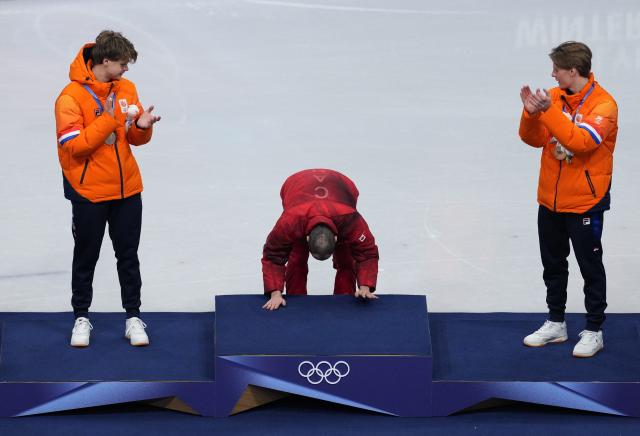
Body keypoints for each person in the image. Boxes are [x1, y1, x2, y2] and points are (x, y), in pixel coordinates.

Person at [54, 30, 161, 347]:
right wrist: (111, 119)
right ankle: (81, 318)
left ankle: (133, 317)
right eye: (123, 64)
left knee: (128, 256)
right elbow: (74, 147)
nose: (127, 70)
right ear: (104, 61)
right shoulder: (70, 98)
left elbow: (132, 138)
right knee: (85, 257)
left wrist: (141, 128)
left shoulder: (126, 88)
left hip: (127, 190)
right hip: (88, 193)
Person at [519, 41, 618, 358]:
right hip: (550, 200)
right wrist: (531, 114)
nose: (552, 74)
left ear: (573, 71)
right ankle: (556, 322)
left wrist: (547, 111)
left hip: (585, 203)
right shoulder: (554, 97)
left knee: (590, 267)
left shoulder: (604, 106)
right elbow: (533, 139)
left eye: (557, 69)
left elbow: (580, 141)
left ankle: (593, 329)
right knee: (553, 265)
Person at [261, 169, 379, 310]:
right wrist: (275, 293)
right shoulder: (291, 221)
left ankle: (344, 301)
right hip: (296, 187)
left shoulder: (350, 220)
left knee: (346, 260)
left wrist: (365, 286)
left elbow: (367, 253)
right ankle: (298, 301)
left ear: (336, 238)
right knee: (297, 259)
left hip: (342, 187)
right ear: (307, 237)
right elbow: (273, 255)